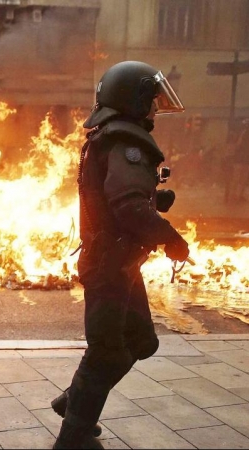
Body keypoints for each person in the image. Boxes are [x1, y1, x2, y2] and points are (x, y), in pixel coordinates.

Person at [51, 61, 190, 449]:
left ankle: (76, 399)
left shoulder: (111, 137)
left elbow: (115, 197)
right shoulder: (127, 142)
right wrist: (171, 238)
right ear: (134, 99)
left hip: (121, 263)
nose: (155, 108)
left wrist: (154, 198)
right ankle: (74, 436)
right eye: (152, 99)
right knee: (108, 352)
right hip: (109, 266)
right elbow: (126, 205)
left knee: (141, 341)